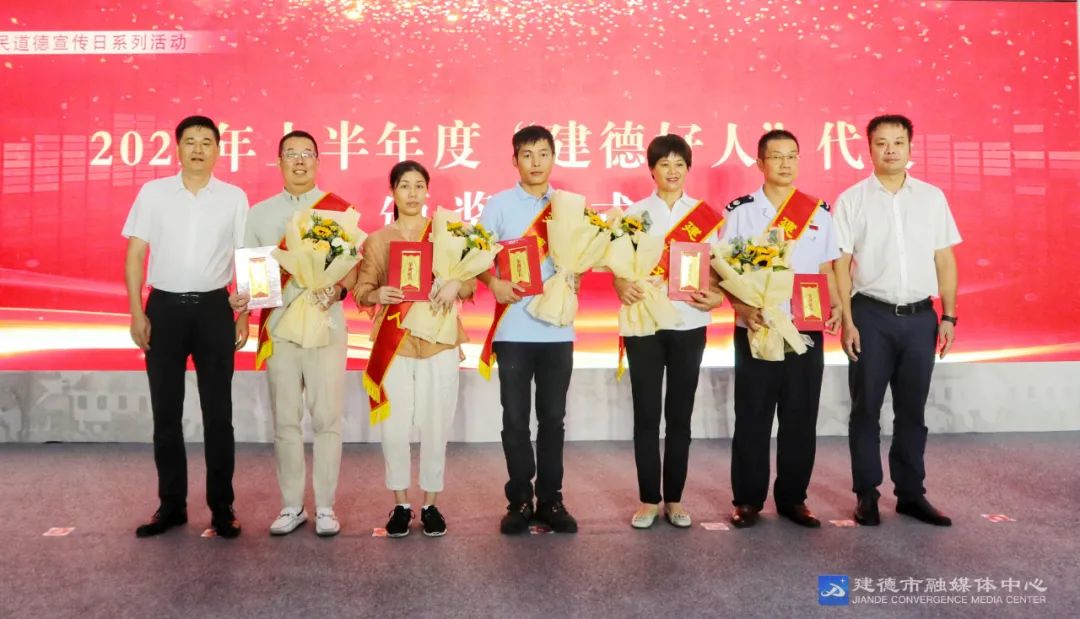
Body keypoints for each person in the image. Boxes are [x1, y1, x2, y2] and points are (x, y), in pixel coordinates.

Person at [122, 115, 248, 538]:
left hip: (214, 310)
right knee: (166, 413)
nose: (198, 148)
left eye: (206, 142)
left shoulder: (233, 197)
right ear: (176, 147)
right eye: (190, 141)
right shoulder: (153, 193)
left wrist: (244, 313)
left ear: (218, 150)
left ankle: (222, 507)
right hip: (164, 310)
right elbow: (135, 255)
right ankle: (171, 505)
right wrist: (137, 312)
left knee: (219, 415)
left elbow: (245, 257)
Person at [833, 114, 960, 527]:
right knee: (866, 409)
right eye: (882, 143)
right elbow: (841, 264)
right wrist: (847, 320)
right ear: (869, 148)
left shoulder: (932, 198)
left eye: (898, 142)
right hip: (870, 316)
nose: (890, 150)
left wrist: (949, 315)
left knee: (912, 411)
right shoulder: (852, 200)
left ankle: (910, 493)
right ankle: (867, 494)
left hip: (921, 318)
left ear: (910, 147)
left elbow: (945, 258)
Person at [230, 130, 356, 537]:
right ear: (279, 162)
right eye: (291, 154)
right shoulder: (260, 214)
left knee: (327, 418)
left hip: (326, 323)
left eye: (307, 154)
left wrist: (338, 289)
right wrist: (244, 309)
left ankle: (326, 506)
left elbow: (354, 267)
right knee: (285, 419)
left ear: (318, 161)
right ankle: (291, 505)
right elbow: (253, 275)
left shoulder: (338, 211)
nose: (299, 161)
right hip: (280, 326)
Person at [720, 129, 842, 529]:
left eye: (792, 155)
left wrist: (837, 305)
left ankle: (793, 499)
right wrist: (740, 306)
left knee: (800, 417)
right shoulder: (740, 211)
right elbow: (722, 269)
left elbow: (826, 268)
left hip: (805, 326)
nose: (785, 163)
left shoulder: (817, 212)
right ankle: (747, 500)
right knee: (752, 416)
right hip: (757, 326)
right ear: (760, 163)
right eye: (776, 156)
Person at [353, 160, 475, 538]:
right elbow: (361, 291)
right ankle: (401, 504)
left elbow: (470, 285)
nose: (412, 193)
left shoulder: (445, 234)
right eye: (404, 185)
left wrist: (456, 284)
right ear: (392, 192)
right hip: (396, 346)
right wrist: (378, 294)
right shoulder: (378, 240)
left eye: (419, 185)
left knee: (437, 424)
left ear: (427, 191)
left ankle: (431, 503)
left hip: (439, 342)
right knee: (394, 427)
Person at [613, 134, 725, 529]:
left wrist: (716, 296)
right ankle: (648, 499)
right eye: (664, 164)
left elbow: (718, 270)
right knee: (646, 414)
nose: (672, 171)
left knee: (680, 415)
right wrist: (620, 284)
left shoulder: (705, 216)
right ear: (652, 169)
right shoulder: (633, 214)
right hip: (644, 322)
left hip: (689, 322)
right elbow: (619, 268)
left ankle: (674, 499)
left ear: (688, 169)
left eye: (679, 164)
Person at [476, 125, 579, 534]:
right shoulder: (498, 205)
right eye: (527, 154)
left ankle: (551, 500)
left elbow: (583, 256)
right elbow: (474, 255)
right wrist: (493, 282)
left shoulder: (569, 206)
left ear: (553, 157)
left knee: (553, 419)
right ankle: (519, 499)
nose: (535, 162)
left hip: (557, 330)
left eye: (543, 154)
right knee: (516, 419)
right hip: (513, 329)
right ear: (514, 160)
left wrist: (577, 275)